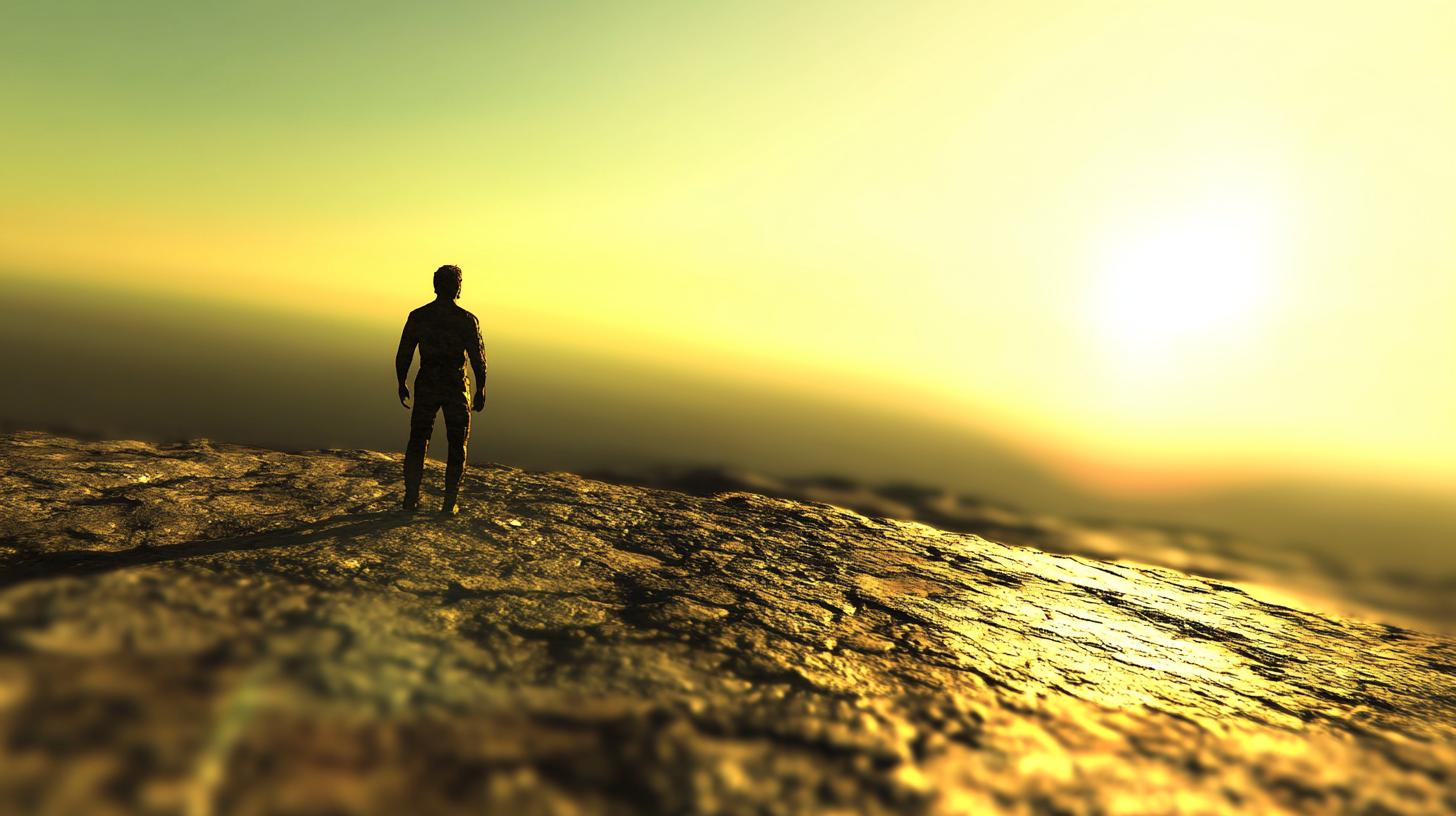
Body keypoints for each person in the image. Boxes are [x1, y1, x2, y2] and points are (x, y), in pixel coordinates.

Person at [395, 265, 487, 514]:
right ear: (458, 287)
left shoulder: (419, 316)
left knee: (418, 439)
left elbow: (404, 352)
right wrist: (481, 388)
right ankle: (449, 503)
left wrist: (401, 381)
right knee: (458, 443)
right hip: (456, 385)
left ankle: (411, 498)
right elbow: (478, 358)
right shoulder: (467, 321)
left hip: (427, 382)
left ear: (435, 285)